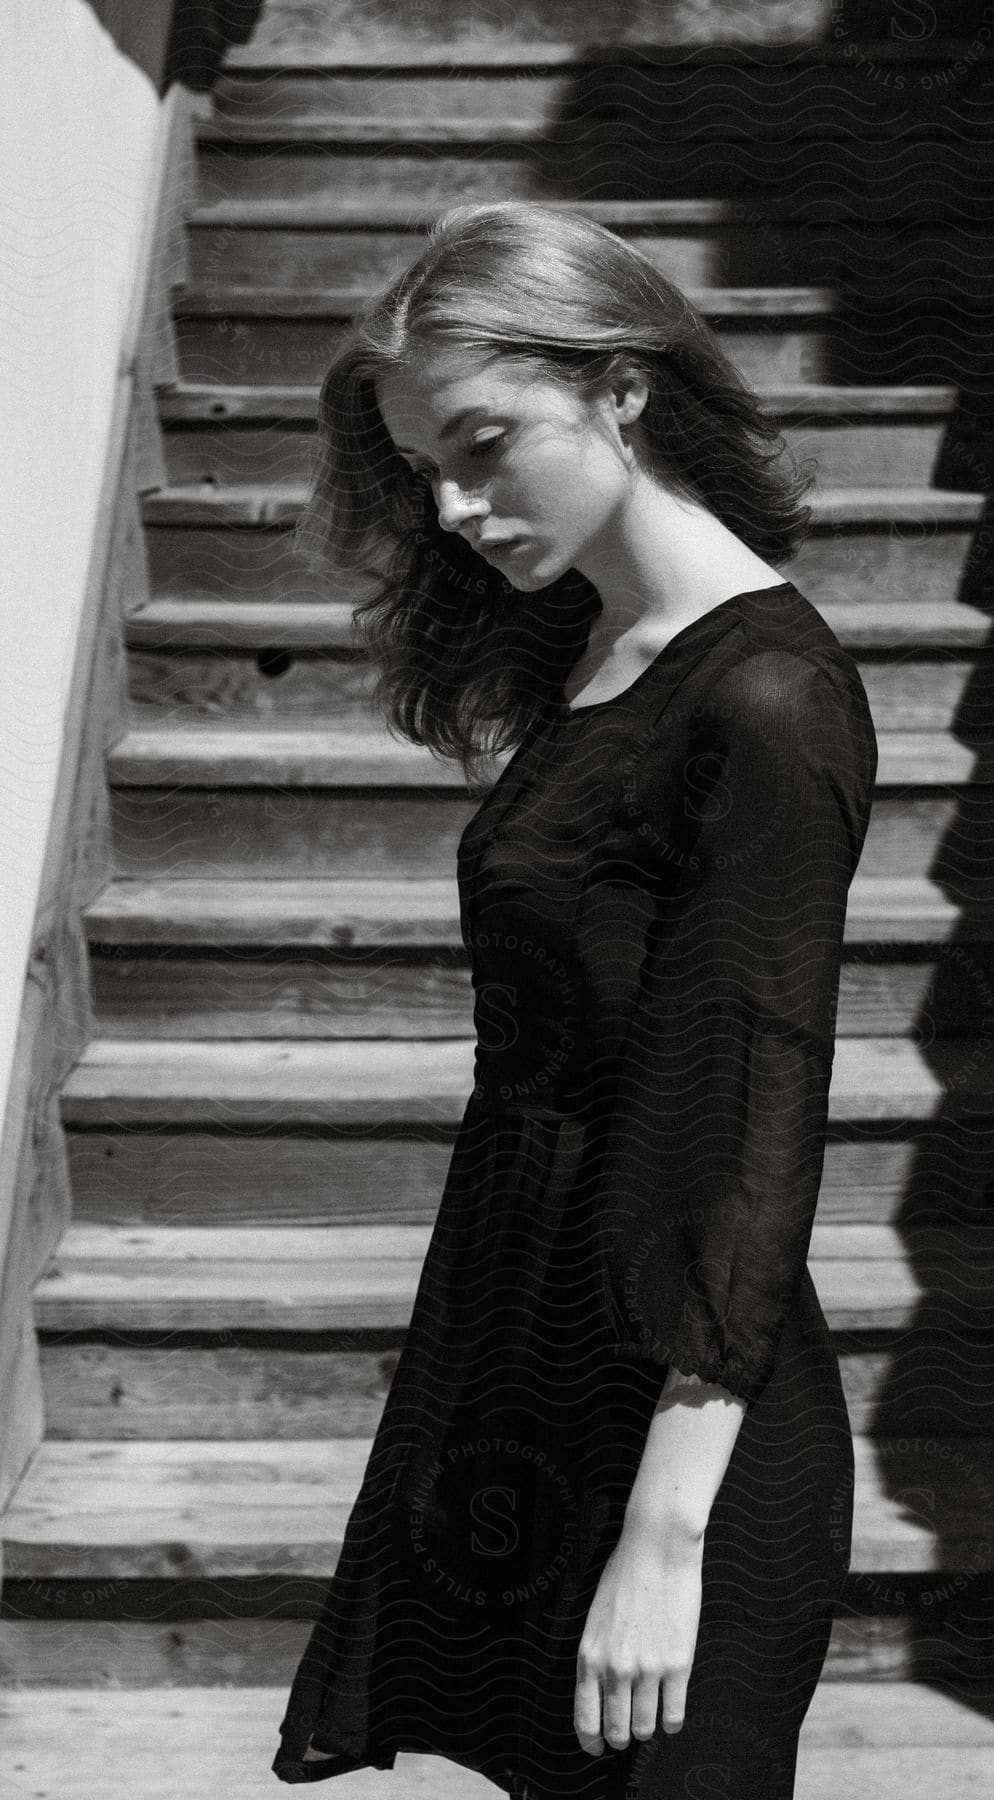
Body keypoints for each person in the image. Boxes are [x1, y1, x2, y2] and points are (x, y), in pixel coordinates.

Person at [271, 199, 878, 1798]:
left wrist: (664, 1539)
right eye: (424, 471)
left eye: (484, 444)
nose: (457, 505)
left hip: (680, 1437)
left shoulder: (762, 695)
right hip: (541, 1359)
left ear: (622, 387)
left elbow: (748, 1126)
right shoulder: (614, 647)